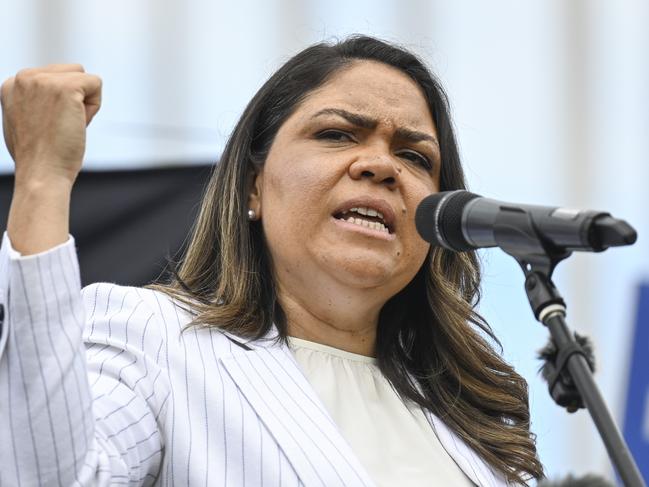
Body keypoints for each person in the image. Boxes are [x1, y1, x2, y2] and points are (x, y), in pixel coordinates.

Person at [0, 36, 543, 486]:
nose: (381, 164)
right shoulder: (155, 337)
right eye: (336, 134)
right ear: (252, 187)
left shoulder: (472, 418)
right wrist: (44, 178)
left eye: (413, 156)